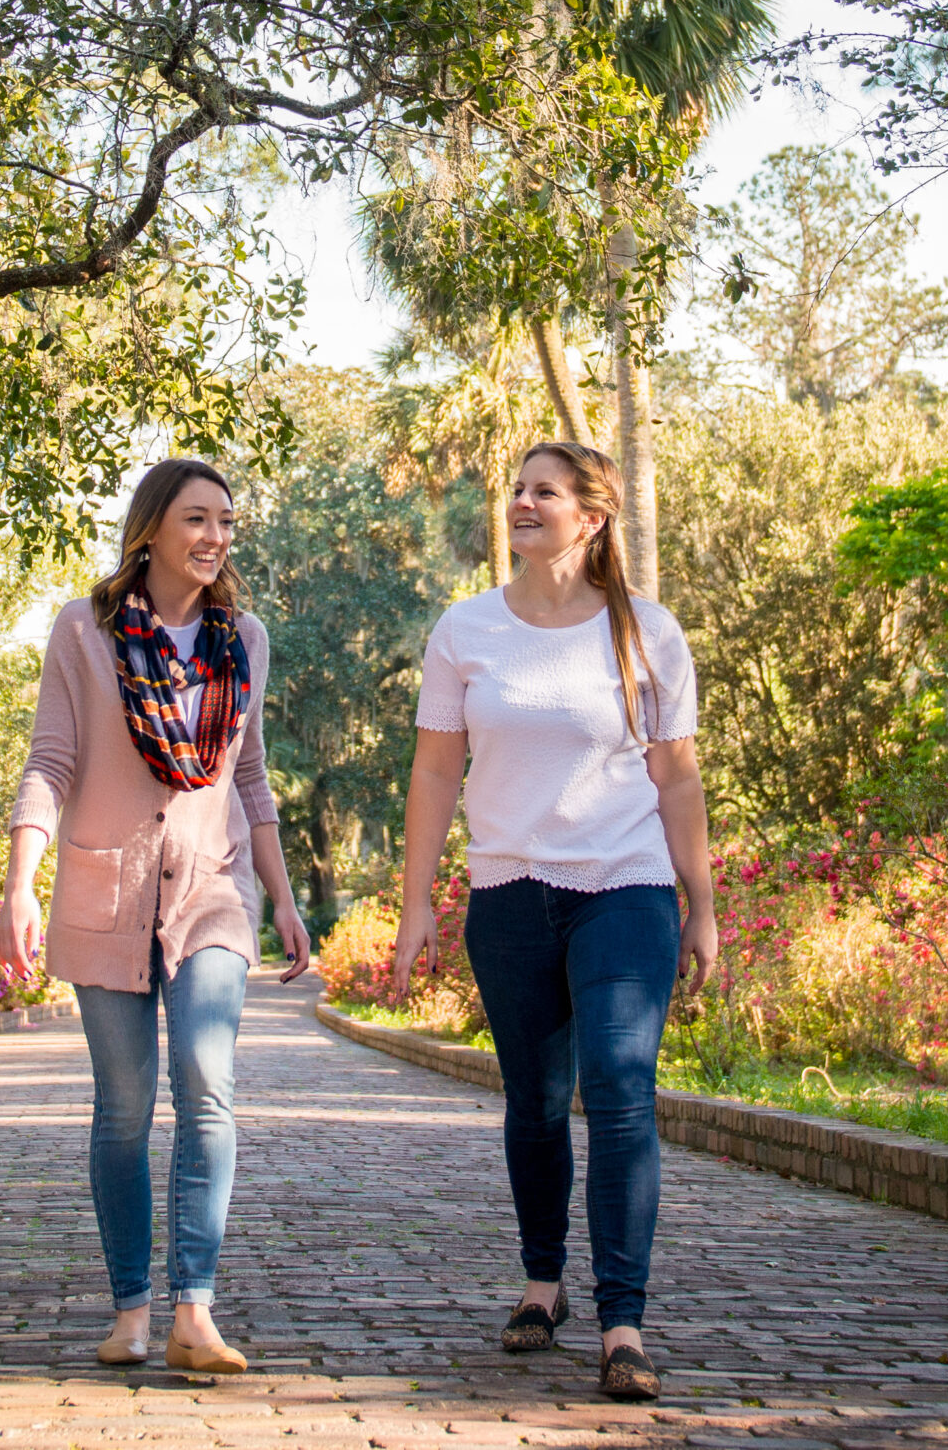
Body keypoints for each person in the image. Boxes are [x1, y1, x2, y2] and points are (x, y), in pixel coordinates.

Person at [391, 441, 717, 1402]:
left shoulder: (646, 630)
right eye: (518, 489)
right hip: (508, 894)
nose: (522, 503)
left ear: (593, 514)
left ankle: (624, 1320)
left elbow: (676, 777)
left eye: (545, 491)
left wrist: (703, 903)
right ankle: (544, 1282)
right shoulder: (466, 629)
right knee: (534, 1102)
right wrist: (417, 899)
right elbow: (435, 771)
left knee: (619, 1087)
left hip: (625, 886)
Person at [0, 457, 314, 1375]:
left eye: (226, 521)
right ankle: (130, 1309)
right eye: (197, 518)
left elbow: (248, 776)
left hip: (214, 892)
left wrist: (283, 896)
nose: (216, 537)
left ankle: (194, 1311)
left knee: (207, 1087)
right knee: (126, 1107)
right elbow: (51, 761)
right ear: (152, 528)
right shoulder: (84, 630)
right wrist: (21, 881)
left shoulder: (243, 638)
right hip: (107, 890)